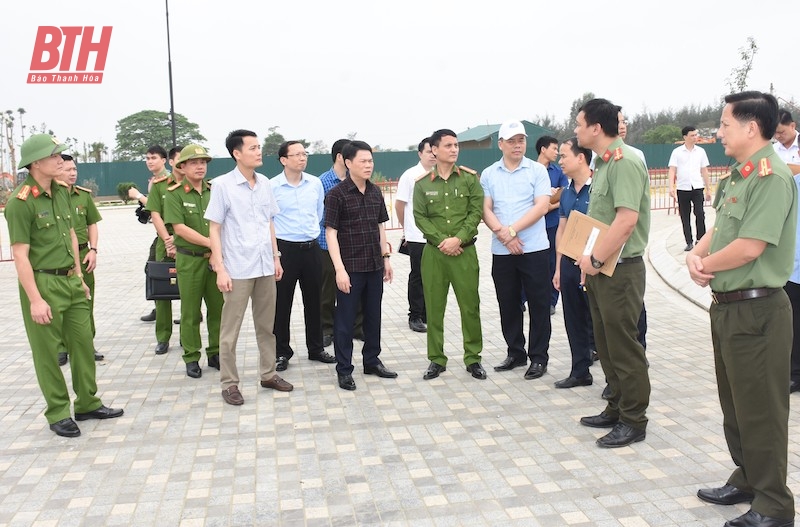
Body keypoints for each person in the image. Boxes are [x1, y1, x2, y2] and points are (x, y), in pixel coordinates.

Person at [689, 91, 796, 527]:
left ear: (752, 128)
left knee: (762, 410)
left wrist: (706, 267)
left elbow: (751, 246)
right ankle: (748, 477)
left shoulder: (771, 177)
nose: (719, 132)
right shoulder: (740, 175)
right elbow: (722, 227)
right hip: (728, 308)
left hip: (759, 310)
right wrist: (697, 254)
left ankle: (774, 504)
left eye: (725, 124)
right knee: (735, 404)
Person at [5, 134, 123, 437]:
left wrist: (80, 279)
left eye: (61, 155)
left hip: (71, 279)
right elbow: (20, 255)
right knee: (46, 352)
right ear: (36, 163)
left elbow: (71, 233)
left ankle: (87, 403)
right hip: (43, 282)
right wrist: (35, 299)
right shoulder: (20, 203)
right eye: (54, 156)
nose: (61, 161)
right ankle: (58, 412)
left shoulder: (61, 192)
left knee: (82, 344)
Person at [574, 98, 650, 448]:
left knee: (624, 346)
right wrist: (588, 262)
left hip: (621, 269)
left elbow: (625, 220)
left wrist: (595, 259)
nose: (575, 130)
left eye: (579, 124)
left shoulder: (624, 162)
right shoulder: (603, 165)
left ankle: (634, 420)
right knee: (605, 344)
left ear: (595, 128)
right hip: (602, 268)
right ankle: (616, 406)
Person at [206, 130, 293, 406]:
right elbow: (214, 228)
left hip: (265, 265)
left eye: (259, 147)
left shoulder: (265, 183)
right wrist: (220, 267)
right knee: (230, 331)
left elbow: (269, 221)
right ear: (237, 153)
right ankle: (229, 383)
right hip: (237, 268)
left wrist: (276, 257)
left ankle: (268, 374)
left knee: (267, 326)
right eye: (253, 148)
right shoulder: (222, 185)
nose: (259, 152)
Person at [481, 121, 552, 380]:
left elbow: (541, 206)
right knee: (508, 303)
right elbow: (485, 208)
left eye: (520, 140)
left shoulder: (536, 171)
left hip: (534, 249)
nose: (517, 145)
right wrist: (503, 233)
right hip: (502, 251)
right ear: (500, 144)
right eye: (511, 141)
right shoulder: (489, 174)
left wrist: (511, 231)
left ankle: (539, 357)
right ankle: (515, 352)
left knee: (539, 304)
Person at [325, 140, 397, 391]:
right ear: (348, 163)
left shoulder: (375, 192)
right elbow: (330, 233)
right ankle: (344, 369)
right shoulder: (336, 194)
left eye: (370, 161)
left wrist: (386, 258)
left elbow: (380, 227)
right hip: (350, 267)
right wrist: (339, 270)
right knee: (344, 321)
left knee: (373, 316)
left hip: (374, 266)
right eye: (363, 161)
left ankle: (372, 360)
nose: (368, 165)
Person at [413, 129, 485, 381]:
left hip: (464, 253)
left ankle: (473, 358)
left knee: (470, 307)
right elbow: (420, 218)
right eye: (448, 145)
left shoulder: (469, 179)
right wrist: (442, 241)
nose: (454, 149)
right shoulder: (422, 184)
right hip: (435, 255)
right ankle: (436, 359)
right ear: (434, 149)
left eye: (456, 145)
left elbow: (475, 213)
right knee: (434, 308)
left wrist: (458, 239)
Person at [271, 141, 335, 371]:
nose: (302, 157)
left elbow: (318, 213)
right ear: (283, 160)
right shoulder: (272, 187)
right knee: (281, 303)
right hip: (284, 250)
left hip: (311, 249)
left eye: (304, 153)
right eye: (296, 154)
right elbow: (268, 220)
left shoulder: (315, 183)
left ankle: (316, 348)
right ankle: (281, 352)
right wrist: (275, 253)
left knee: (315, 300)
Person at [164, 145, 222, 379]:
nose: (200, 167)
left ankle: (216, 351)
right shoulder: (174, 194)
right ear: (182, 167)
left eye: (203, 162)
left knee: (218, 308)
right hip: (189, 259)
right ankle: (191, 356)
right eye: (194, 162)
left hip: (215, 260)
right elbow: (179, 229)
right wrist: (212, 242)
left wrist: (216, 249)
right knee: (190, 311)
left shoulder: (214, 191)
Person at [552, 138, 595, 389]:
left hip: (594, 264)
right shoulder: (566, 191)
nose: (560, 161)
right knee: (573, 318)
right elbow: (562, 229)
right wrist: (558, 266)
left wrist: (592, 262)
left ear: (581, 158)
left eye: (564, 156)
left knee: (599, 322)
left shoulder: (600, 187)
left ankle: (614, 379)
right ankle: (580, 370)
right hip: (569, 263)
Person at [55, 154, 104, 366]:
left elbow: (92, 223)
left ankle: (86, 343)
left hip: (84, 256)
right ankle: (61, 347)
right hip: (58, 259)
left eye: (74, 169)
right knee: (60, 305)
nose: (73, 173)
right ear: (57, 170)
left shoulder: (83, 196)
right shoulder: (52, 196)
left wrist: (93, 250)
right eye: (67, 170)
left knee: (85, 302)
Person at [318, 139, 363, 346]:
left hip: (354, 246)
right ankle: (327, 328)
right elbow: (319, 216)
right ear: (341, 157)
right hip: (328, 245)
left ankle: (357, 327)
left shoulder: (358, 181)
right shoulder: (323, 182)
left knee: (356, 288)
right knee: (328, 290)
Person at [394, 137, 436, 333]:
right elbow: (399, 205)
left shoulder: (441, 174)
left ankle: (430, 313)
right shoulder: (410, 176)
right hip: (417, 237)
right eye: (429, 151)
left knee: (435, 276)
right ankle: (415, 315)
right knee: (418, 275)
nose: (433, 155)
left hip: (438, 237)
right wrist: (407, 229)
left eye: (435, 151)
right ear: (420, 154)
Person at [144, 145, 181, 354]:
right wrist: (167, 240)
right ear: (172, 162)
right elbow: (155, 214)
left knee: (188, 290)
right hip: (163, 240)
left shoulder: (193, 185)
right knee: (161, 288)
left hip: (185, 240)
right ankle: (163, 337)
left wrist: (177, 239)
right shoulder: (160, 185)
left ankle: (187, 335)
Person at [535, 135, 569, 315]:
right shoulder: (530, 170)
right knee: (533, 262)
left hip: (553, 222)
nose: (556, 153)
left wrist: (549, 206)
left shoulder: (559, 171)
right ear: (543, 149)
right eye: (554, 149)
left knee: (552, 262)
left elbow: (563, 193)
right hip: (534, 224)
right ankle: (525, 298)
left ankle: (552, 301)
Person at [668, 126, 711, 251]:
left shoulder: (701, 151)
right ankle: (689, 241)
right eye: (692, 135)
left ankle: (700, 240)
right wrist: (671, 186)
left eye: (696, 135)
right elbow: (672, 170)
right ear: (685, 137)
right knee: (685, 216)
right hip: (682, 188)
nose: (695, 137)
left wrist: (708, 189)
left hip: (697, 187)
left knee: (700, 213)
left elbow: (704, 170)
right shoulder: (677, 152)